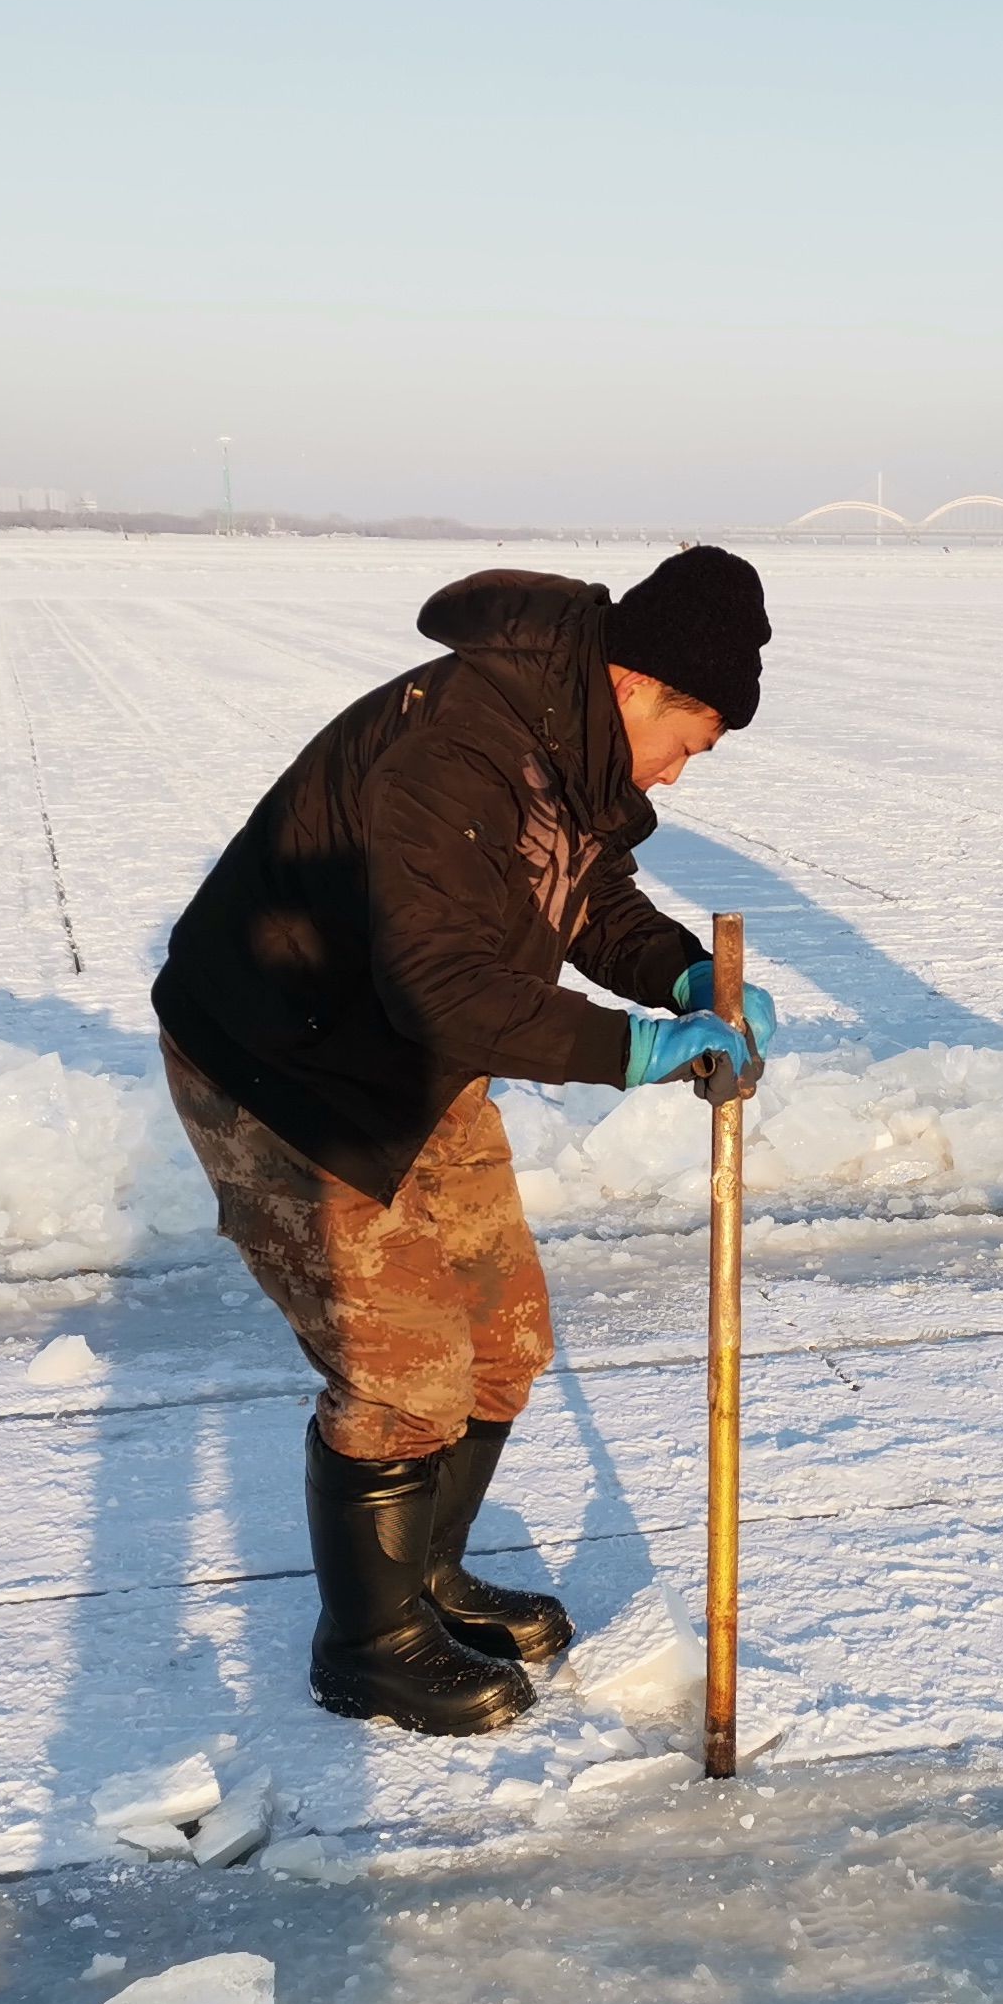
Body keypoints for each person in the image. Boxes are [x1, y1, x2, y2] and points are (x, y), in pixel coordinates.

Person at [153, 547, 779, 1733]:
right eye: (691, 744)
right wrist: (638, 1051)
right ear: (640, 682)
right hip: (287, 1065)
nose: (681, 776)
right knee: (404, 1372)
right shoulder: (460, 749)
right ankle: (369, 1643)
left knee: (500, 1336)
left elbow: (583, 896)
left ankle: (421, 1582)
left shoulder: (565, 748)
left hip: (404, 1058)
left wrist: (682, 973)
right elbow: (441, 985)